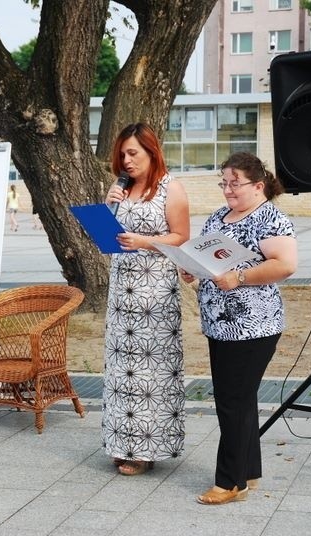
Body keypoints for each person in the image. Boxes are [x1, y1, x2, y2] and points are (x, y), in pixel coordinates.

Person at [180, 152, 297, 505]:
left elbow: (286, 264)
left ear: (258, 185)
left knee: (231, 401)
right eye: (224, 182)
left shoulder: (271, 218)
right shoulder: (219, 216)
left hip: (253, 325)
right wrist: (193, 270)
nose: (228, 190)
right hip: (220, 324)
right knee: (240, 399)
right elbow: (207, 260)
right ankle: (248, 470)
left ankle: (230, 482)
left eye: (235, 183)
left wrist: (241, 276)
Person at [101, 122, 190, 476]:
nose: (126, 160)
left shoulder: (172, 189)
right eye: (122, 154)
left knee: (150, 374)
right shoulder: (121, 190)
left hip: (155, 296)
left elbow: (182, 237)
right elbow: (109, 238)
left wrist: (146, 241)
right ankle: (121, 442)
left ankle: (146, 449)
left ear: (152, 152)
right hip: (121, 293)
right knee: (122, 371)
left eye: (133, 153)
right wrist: (107, 208)